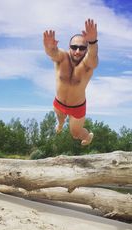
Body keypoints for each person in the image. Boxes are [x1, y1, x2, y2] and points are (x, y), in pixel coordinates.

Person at [43, 18, 98, 146]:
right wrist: (49, 48)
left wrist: (93, 42)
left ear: (86, 49)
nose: (77, 51)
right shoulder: (62, 57)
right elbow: (53, 53)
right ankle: (61, 123)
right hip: (59, 103)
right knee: (60, 118)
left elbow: (93, 57)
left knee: (75, 134)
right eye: (74, 47)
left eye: (82, 48)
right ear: (69, 47)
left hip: (77, 107)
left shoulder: (87, 65)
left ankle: (88, 137)